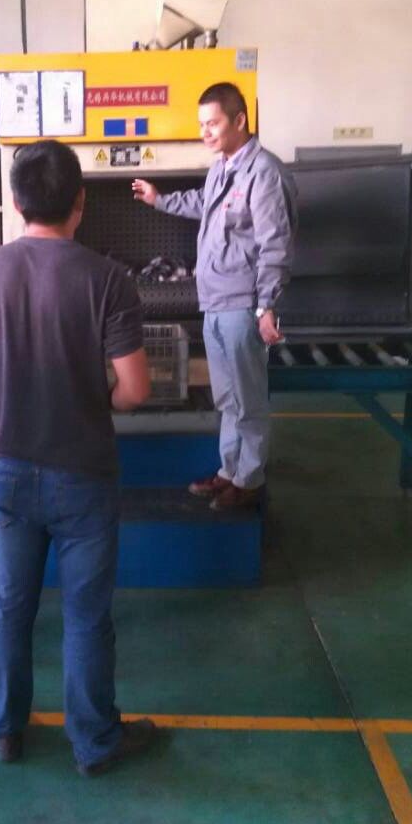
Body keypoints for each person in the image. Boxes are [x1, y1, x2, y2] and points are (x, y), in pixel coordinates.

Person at [0, 139, 157, 775]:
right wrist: (94, 398)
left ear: (15, 203)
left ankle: (5, 729)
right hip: (84, 473)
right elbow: (135, 391)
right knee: (86, 616)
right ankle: (94, 743)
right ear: (80, 202)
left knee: (10, 608)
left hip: (8, 470)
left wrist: (4, 402)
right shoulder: (108, 279)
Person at [132, 82, 298, 511]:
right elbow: (201, 202)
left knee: (249, 399)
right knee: (227, 397)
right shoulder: (222, 168)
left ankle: (250, 479)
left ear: (239, 120)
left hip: (243, 304)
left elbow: (275, 245)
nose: (204, 132)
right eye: (201, 124)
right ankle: (230, 471)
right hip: (215, 300)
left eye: (213, 123)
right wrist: (159, 200)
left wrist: (267, 306)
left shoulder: (264, 173)